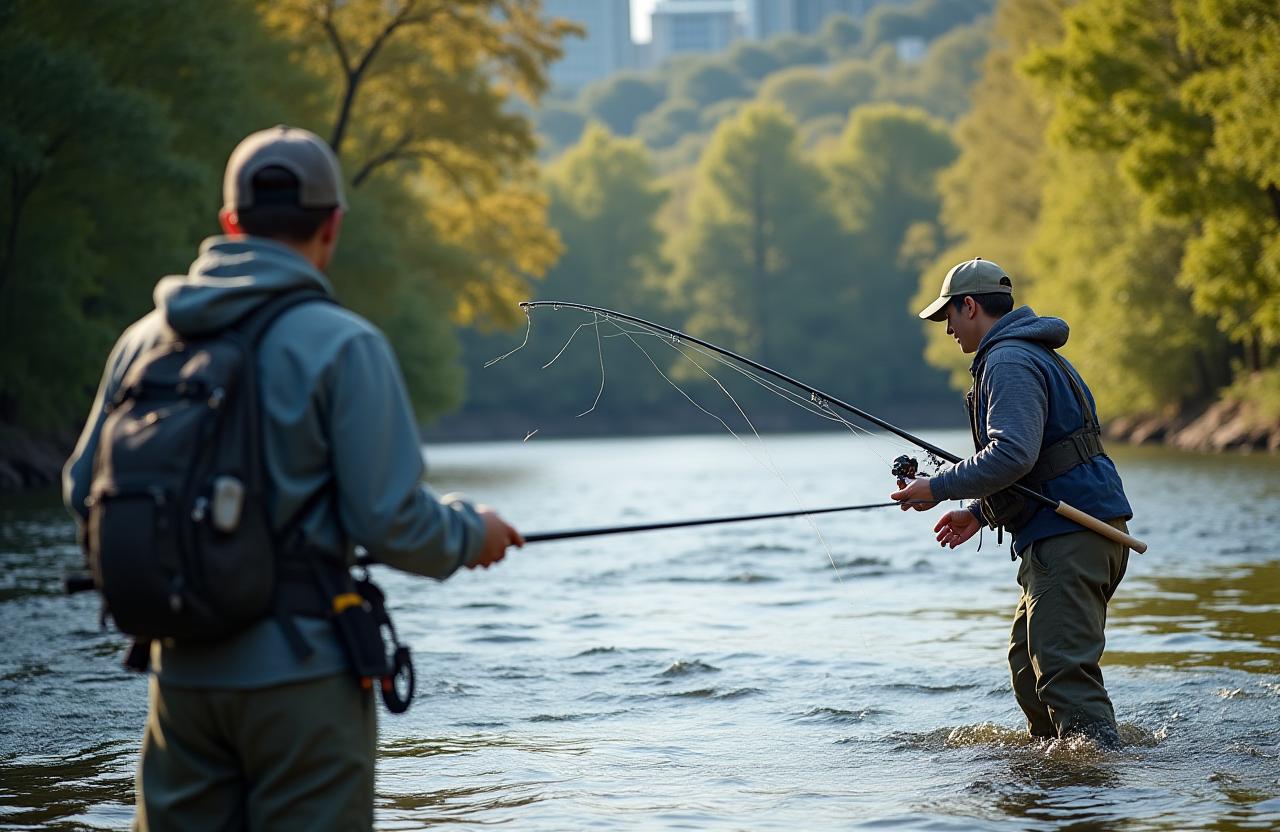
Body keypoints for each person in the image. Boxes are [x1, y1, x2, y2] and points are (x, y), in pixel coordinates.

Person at [62, 125, 524, 830]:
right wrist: (471, 533)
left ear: (229, 222)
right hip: (303, 679)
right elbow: (391, 521)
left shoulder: (141, 341)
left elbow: (80, 491)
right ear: (331, 226)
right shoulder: (344, 344)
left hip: (180, 678)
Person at [890, 257, 1133, 749]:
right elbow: (1044, 459)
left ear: (971, 306)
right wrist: (980, 514)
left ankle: (1094, 791)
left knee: (1062, 673)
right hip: (1075, 532)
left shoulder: (1009, 361)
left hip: (1071, 539)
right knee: (1029, 668)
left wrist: (936, 489)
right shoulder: (1031, 355)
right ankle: (1055, 782)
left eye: (948, 317)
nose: (948, 330)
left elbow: (1012, 454)